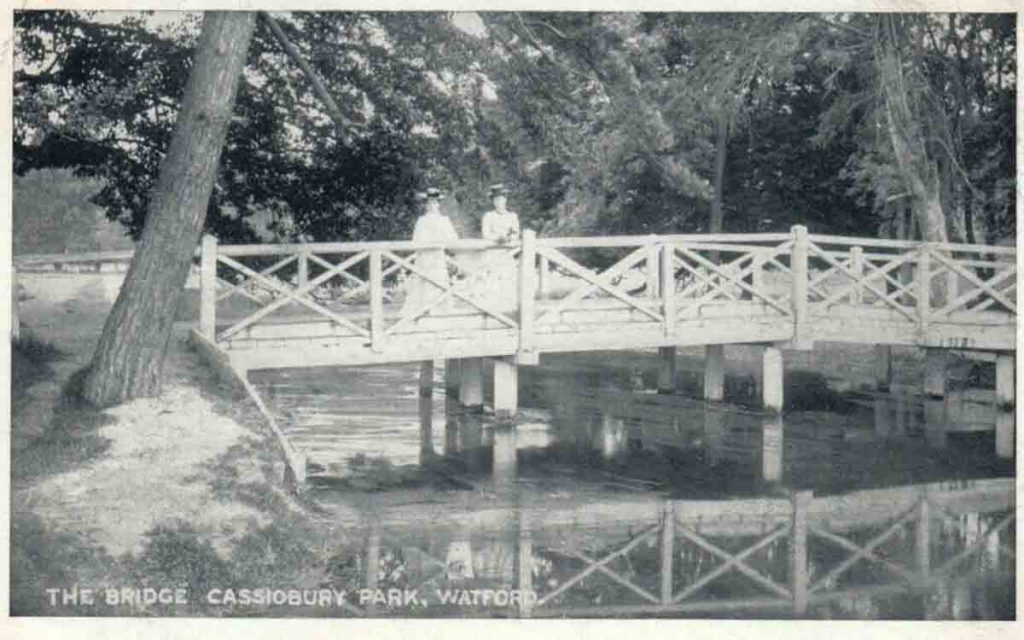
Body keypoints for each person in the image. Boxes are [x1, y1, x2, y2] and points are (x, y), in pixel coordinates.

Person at [403, 188, 458, 316]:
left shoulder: (444, 220)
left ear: (439, 204)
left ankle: (439, 309)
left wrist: (441, 241)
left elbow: (453, 238)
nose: (432, 206)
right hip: (425, 257)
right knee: (424, 282)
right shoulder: (422, 220)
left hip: (438, 256)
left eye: (435, 203)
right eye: (429, 203)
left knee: (438, 280)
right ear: (426, 205)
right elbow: (416, 240)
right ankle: (424, 308)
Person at [474, 184, 521, 311]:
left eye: (501, 199)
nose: (499, 202)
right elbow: (486, 234)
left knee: (508, 281)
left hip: (508, 253)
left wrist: (509, 238)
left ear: (505, 200)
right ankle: (493, 311)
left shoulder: (512, 216)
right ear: (493, 201)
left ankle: (508, 311)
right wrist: (498, 238)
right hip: (493, 254)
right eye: (496, 199)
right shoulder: (488, 216)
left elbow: (516, 234)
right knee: (492, 282)